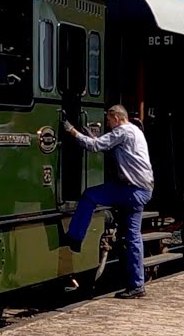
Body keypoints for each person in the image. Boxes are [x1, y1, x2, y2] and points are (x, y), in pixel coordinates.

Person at [62, 104, 155, 299]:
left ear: (117, 118)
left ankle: (75, 238)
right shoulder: (135, 131)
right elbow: (113, 149)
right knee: (133, 238)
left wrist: (72, 131)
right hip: (143, 190)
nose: (107, 124)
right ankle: (137, 285)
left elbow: (95, 146)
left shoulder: (122, 131)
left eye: (108, 120)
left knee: (90, 195)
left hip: (131, 190)